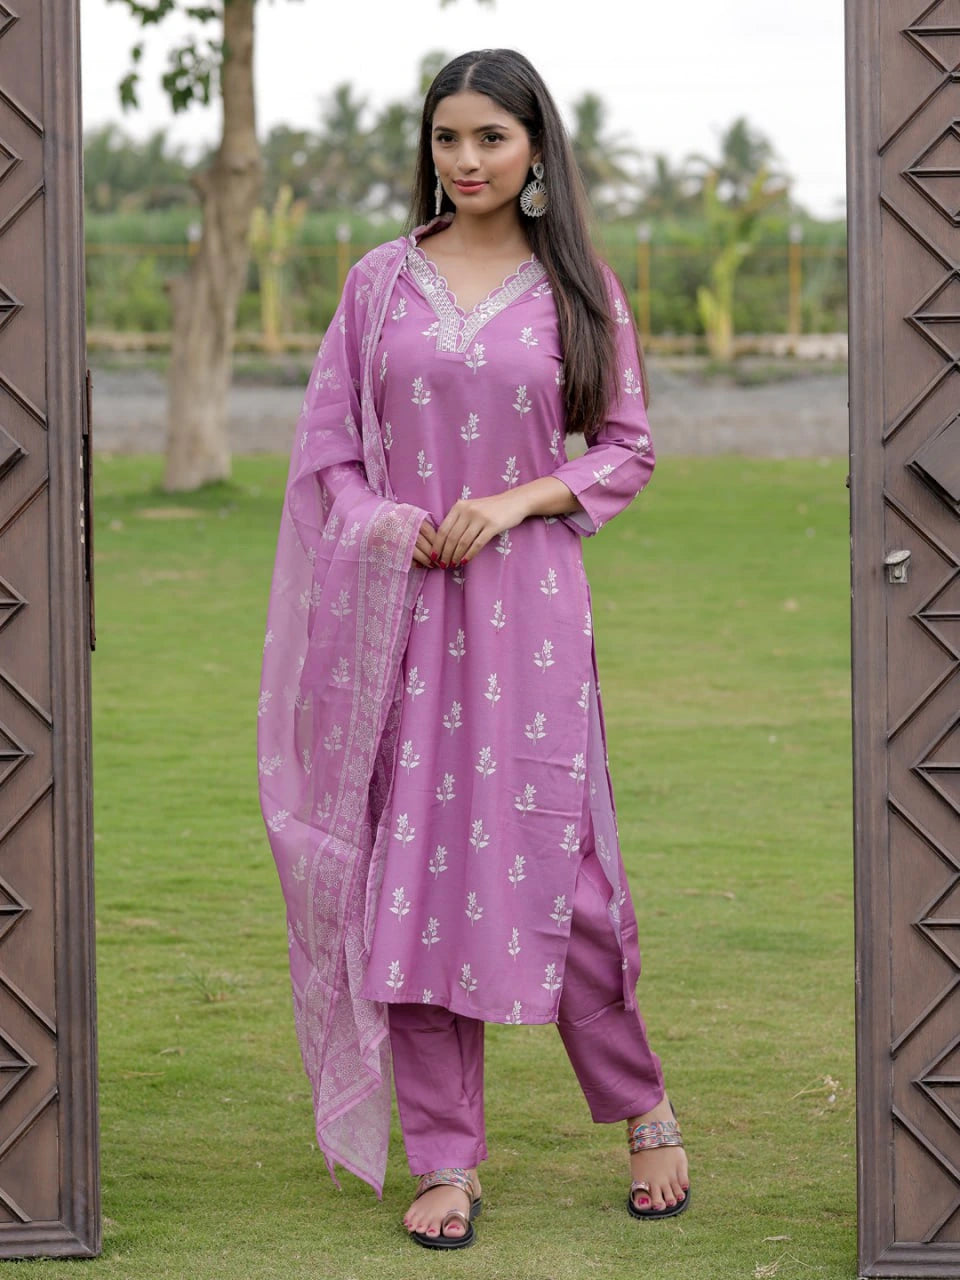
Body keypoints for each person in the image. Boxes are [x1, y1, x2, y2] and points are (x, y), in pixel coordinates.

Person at [258, 47, 689, 1251]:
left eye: (490, 138)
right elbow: (330, 450)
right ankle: (447, 1156)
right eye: (448, 139)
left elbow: (629, 445)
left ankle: (642, 1103)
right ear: (428, 149)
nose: (468, 160)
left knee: (576, 884)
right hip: (398, 620)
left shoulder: (579, 289)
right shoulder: (378, 284)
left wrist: (518, 499)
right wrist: (389, 523)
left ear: (536, 148)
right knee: (414, 888)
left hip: (531, 620)